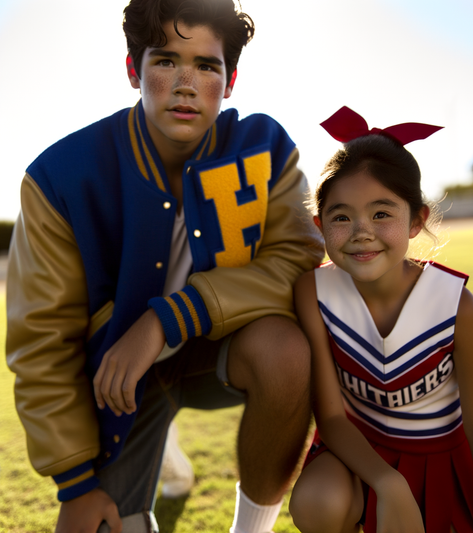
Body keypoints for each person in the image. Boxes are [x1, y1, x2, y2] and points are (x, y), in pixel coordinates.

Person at [5, 0, 324, 531]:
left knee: (287, 353)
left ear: (231, 79)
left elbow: (298, 260)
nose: (185, 84)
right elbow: (41, 340)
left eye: (206, 65)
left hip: (220, 348)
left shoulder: (263, 147)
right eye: (166, 61)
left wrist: (169, 318)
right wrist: (76, 484)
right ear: (133, 70)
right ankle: (158, 448)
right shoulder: (60, 176)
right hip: (121, 375)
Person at [288, 107, 473, 533]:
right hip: (357, 454)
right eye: (341, 216)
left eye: (382, 213)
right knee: (318, 501)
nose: (361, 231)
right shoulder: (313, 291)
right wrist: (388, 483)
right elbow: (331, 419)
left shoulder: (455, 305)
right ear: (319, 225)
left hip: (439, 459)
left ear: (417, 220)